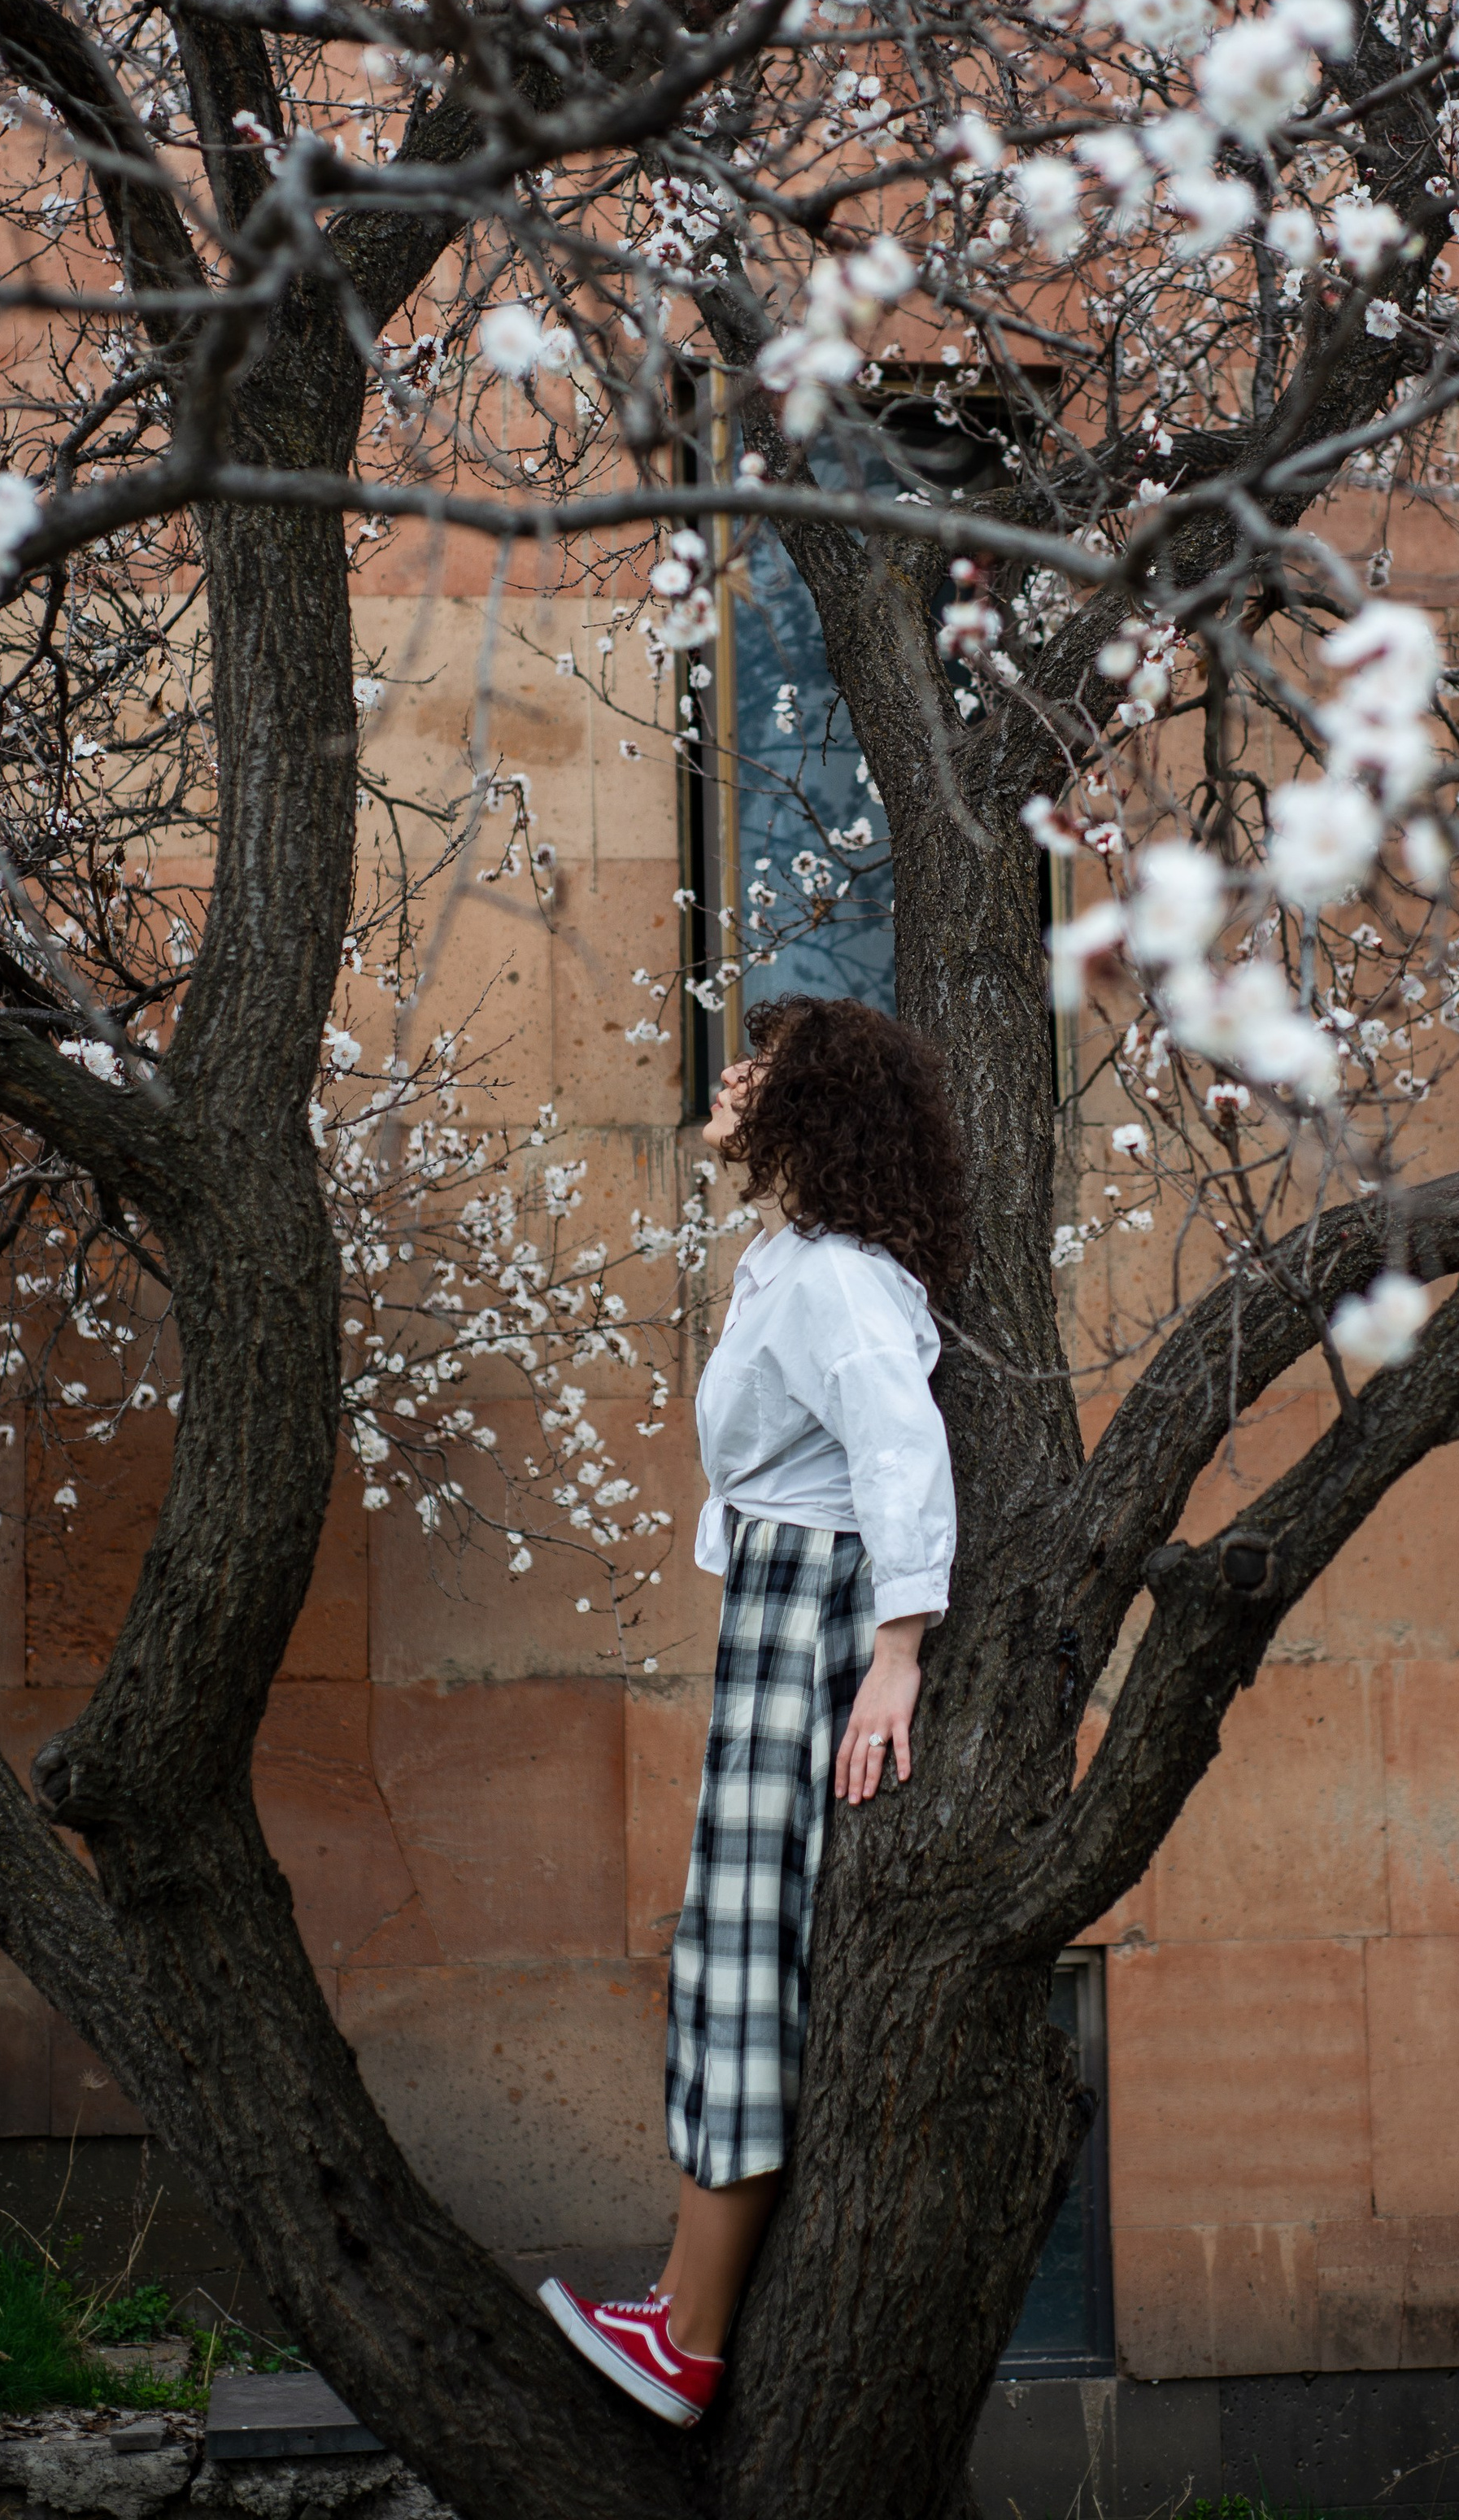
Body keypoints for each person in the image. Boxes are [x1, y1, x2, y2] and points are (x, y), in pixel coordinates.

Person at [539, 992, 968, 2428]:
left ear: (813, 1107)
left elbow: (900, 1454)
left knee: (741, 1943)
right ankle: (677, 2309)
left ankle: (691, 2336)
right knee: (731, 1939)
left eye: (765, 1062)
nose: (732, 1074)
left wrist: (897, 1653)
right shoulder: (792, 1258)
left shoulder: (839, 1277)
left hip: (821, 1615)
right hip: (785, 1602)